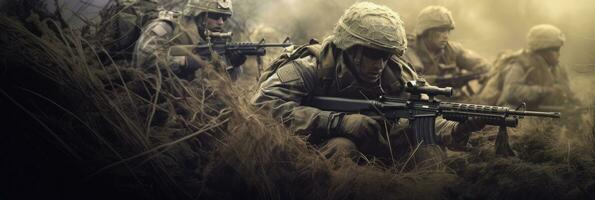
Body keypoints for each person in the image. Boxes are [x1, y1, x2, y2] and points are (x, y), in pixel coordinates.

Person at [251, 2, 485, 166]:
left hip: (380, 146)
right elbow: (263, 104)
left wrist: (458, 127)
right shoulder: (312, 67)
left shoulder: (397, 73)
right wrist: (339, 122)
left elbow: (425, 116)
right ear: (350, 49)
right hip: (318, 146)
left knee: (429, 154)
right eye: (374, 54)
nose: (381, 64)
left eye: (387, 55)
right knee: (342, 148)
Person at [133, 0, 246, 81]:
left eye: (224, 18)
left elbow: (222, 83)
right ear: (198, 13)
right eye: (215, 16)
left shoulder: (213, 38)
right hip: (149, 93)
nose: (221, 22)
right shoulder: (168, 27)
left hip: (186, 98)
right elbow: (145, 61)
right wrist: (184, 62)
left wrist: (232, 65)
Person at [476, 24, 576, 110]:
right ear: (542, 49)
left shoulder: (557, 68)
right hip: (504, 114)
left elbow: (566, 92)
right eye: (555, 49)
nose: (559, 54)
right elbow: (511, 92)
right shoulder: (519, 63)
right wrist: (547, 91)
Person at [402, 6, 489, 101]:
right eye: (441, 30)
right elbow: (411, 80)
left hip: (454, 100)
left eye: (448, 31)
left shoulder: (452, 50)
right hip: (422, 103)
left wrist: (482, 74)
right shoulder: (409, 49)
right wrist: (442, 80)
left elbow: (482, 65)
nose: (446, 36)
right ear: (426, 31)